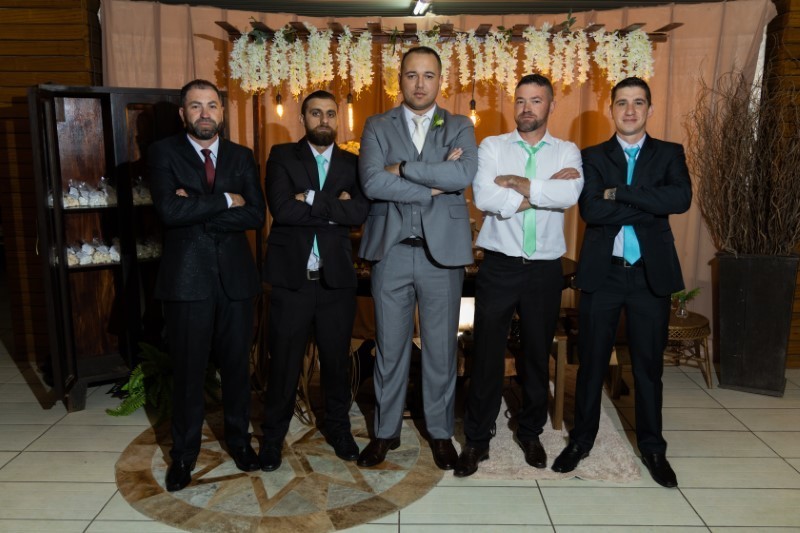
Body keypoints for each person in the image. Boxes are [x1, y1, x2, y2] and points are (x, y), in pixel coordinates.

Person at [551, 77, 692, 488]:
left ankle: (653, 448)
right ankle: (581, 441)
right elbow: (593, 211)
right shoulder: (592, 156)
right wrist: (648, 202)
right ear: (610, 109)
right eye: (622, 103)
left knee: (648, 367)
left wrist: (619, 193)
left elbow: (679, 200)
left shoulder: (670, 153)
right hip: (604, 273)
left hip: (650, 274)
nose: (630, 110)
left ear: (650, 109)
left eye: (638, 103)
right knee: (592, 363)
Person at [455, 74, 583, 477]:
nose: (527, 108)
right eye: (521, 100)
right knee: (486, 353)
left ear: (551, 106)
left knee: (535, 355)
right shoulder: (492, 146)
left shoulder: (567, 151)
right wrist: (542, 191)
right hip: (499, 265)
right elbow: (485, 197)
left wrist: (517, 184)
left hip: (545, 269)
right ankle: (477, 438)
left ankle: (530, 432)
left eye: (536, 100)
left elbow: (569, 195)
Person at [356, 46, 478, 470]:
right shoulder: (377, 125)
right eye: (412, 75)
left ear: (441, 81)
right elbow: (372, 183)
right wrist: (433, 185)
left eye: (428, 75)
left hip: (441, 256)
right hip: (390, 252)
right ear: (400, 80)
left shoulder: (459, 125)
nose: (420, 84)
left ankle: (440, 433)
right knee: (389, 349)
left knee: (441, 350)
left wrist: (403, 168)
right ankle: (385, 432)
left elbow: (463, 175)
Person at [149, 79, 266, 492]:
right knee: (188, 372)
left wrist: (195, 208)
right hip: (187, 281)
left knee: (236, 368)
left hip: (236, 280)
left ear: (222, 111)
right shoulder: (163, 153)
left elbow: (256, 215)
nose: (205, 113)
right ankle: (183, 456)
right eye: (195, 106)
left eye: (212, 105)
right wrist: (226, 200)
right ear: (183, 113)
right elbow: (168, 211)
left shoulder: (241, 156)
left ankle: (240, 442)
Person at [260, 90, 369, 471]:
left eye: (330, 114)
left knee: (337, 364)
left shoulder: (352, 163)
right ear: (302, 118)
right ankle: (272, 438)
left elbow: (358, 212)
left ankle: (339, 430)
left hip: (335, 280)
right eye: (316, 113)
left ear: (338, 119)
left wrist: (309, 197)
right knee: (284, 364)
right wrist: (334, 209)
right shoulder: (281, 156)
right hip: (292, 280)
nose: (324, 120)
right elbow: (282, 210)